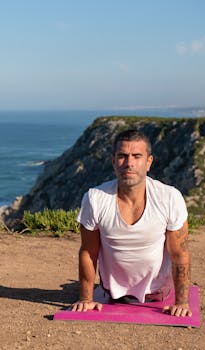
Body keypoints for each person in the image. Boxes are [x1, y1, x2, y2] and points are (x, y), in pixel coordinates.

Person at [71, 129, 192, 317]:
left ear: (149, 162)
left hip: (157, 293)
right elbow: (88, 251)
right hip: (112, 293)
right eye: (122, 156)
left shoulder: (169, 197)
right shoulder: (95, 198)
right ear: (113, 161)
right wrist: (86, 299)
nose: (129, 163)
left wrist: (182, 302)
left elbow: (179, 254)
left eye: (137, 156)